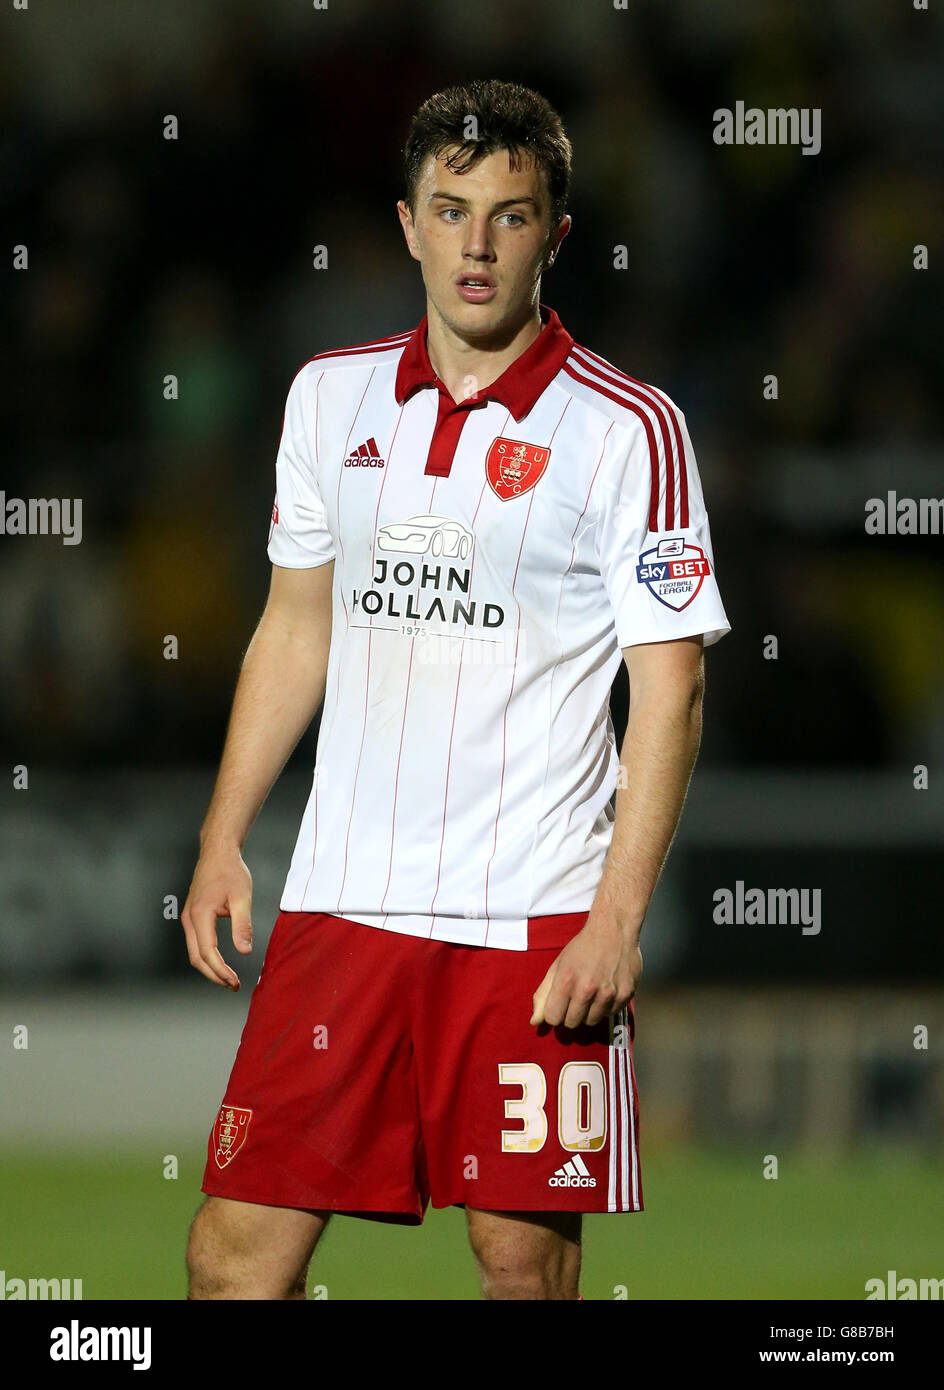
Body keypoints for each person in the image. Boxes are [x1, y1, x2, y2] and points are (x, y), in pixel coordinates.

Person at [182, 78, 730, 1301]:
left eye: (510, 214)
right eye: (450, 209)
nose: (476, 245)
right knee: (232, 1254)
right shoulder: (329, 396)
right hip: (342, 903)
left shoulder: (630, 431)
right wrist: (223, 837)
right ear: (406, 222)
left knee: (519, 1262)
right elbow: (291, 627)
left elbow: (671, 688)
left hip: (532, 915)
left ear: (556, 233)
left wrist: (613, 917)